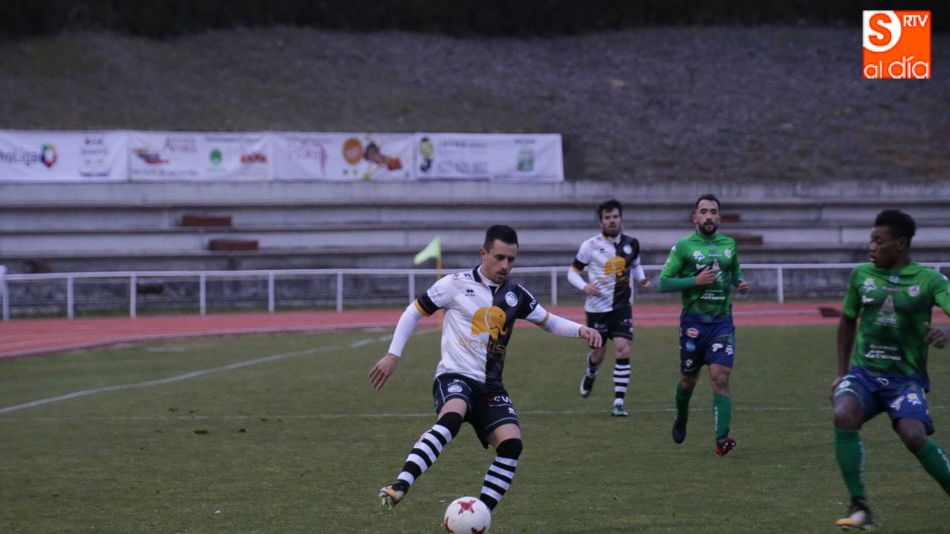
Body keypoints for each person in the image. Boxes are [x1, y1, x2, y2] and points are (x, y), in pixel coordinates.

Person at [369, 225, 602, 512]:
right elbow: (414, 311)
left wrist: (582, 330)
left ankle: (479, 515)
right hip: (454, 376)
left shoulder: (516, 294)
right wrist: (393, 355)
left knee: (512, 446)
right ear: (483, 253)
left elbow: (549, 322)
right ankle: (401, 484)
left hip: (491, 387)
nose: (505, 265)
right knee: (452, 417)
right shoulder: (454, 283)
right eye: (500, 257)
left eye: (511, 260)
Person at [831, 209, 950, 530]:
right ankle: (859, 506)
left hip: (904, 380)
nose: (871, 247)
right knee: (843, 414)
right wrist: (842, 373)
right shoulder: (861, 276)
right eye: (871, 240)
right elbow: (846, 321)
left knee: (913, 435)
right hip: (863, 375)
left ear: (900, 244)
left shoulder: (929, 280)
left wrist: (946, 332)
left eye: (878, 241)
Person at [658, 193, 748, 456]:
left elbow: (734, 273)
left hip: (722, 323)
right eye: (704, 211)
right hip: (693, 325)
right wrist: (693, 282)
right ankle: (682, 416)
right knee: (688, 381)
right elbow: (663, 282)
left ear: (719, 217)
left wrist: (739, 283)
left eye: (713, 211)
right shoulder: (684, 247)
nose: (709, 216)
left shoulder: (729, 245)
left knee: (720, 378)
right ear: (695, 217)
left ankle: (722, 439)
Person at [569, 198, 651, 416]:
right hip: (597, 310)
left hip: (622, 307)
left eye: (615, 216)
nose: (612, 220)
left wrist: (642, 279)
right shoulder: (590, 246)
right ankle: (591, 372)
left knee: (624, 348)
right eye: (607, 217)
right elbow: (572, 273)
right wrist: (586, 287)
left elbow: (635, 265)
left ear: (620, 218)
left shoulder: (631, 243)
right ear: (601, 222)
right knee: (599, 353)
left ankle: (618, 403)